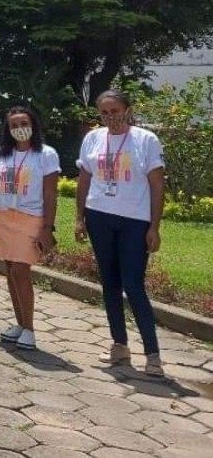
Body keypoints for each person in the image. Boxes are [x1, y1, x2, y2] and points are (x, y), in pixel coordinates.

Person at [75, 90, 166, 377]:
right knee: (109, 283)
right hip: (100, 216)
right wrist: (80, 217)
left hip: (134, 221)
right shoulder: (93, 138)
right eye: (104, 112)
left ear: (127, 110)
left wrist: (154, 225)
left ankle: (152, 354)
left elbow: (156, 185)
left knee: (133, 285)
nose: (110, 117)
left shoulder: (145, 140)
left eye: (115, 111)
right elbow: (85, 178)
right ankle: (119, 345)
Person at [0, 105, 59, 351]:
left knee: (21, 271)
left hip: (30, 217)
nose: (20, 129)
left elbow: (50, 193)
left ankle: (30, 329)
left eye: (24, 123)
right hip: (3, 216)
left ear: (33, 125)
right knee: (10, 270)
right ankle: (19, 323)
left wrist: (47, 227)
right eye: (14, 125)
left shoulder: (46, 154)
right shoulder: (3, 154)